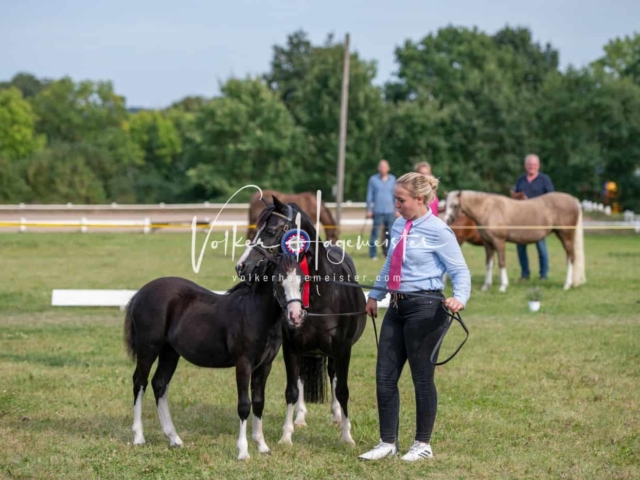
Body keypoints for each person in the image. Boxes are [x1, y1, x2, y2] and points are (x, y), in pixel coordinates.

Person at [359, 172, 471, 462]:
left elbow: (460, 271)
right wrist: (374, 295)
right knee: (384, 376)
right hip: (395, 308)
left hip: (426, 308)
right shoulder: (398, 225)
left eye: (401, 200)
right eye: (396, 199)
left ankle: (423, 444)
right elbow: (390, 263)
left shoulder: (439, 231)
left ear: (419, 199)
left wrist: (460, 297)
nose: (396, 205)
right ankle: (387, 442)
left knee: (422, 378)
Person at [510, 154, 555, 281]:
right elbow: (514, 195)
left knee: (541, 248)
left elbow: (552, 197)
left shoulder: (544, 180)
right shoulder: (521, 180)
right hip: (521, 219)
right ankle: (525, 274)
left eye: (534, 165)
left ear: (538, 166)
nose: (532, 167)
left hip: (538, 220)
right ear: (525, 166)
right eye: (529, 165)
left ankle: (543, 275)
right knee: (520, 248)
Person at [366, 160, 397, 260]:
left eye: (385, 167)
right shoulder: (373, 179)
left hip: (389, 210)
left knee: (390, 233)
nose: (383, 169)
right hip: (378, 210)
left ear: (388, 168)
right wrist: (369, 210)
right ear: (378, 168)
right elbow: (369, 196)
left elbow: (395, 196)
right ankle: (373, 254)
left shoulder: (393, 179)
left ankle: (388, 253)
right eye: (381, 167)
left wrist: (397, 209)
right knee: (375, 233)